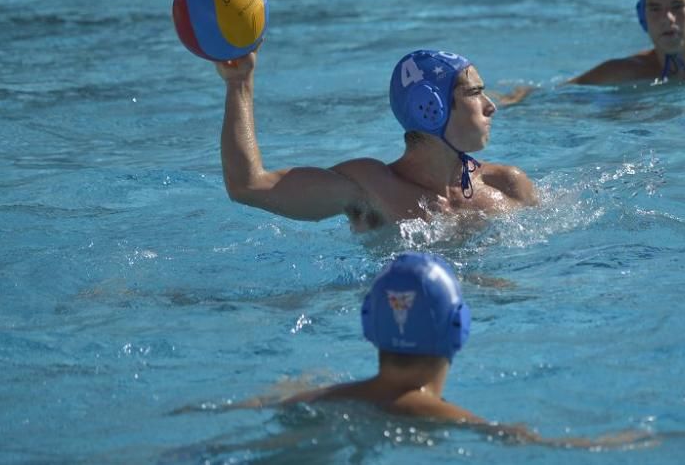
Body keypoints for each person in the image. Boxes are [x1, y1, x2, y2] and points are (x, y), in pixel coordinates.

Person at [202, 252, 656, 449]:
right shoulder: (437, 414)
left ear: (369, 326)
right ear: (459, 327)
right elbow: (535, 442)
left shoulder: (320, 396)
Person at [217, 49, 537, 232]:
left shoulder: (507, 185)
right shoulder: (368, 188)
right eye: (474, 92)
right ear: (430, 107)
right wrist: (239, 83)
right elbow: (247, 186)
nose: (491, 106)